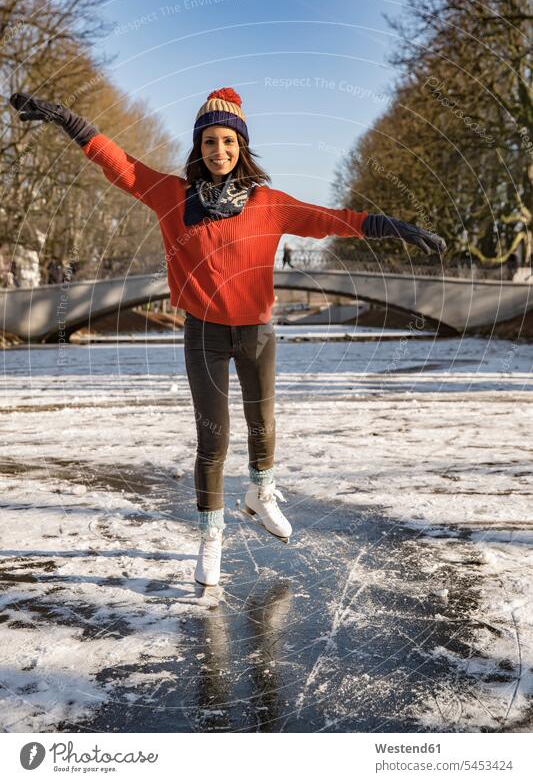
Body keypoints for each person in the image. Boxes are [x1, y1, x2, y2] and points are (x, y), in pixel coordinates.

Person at [9, 88, 447, 587]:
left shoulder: (269, 204)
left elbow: (331, 221)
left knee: (263, 423)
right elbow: (118, 163)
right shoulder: (172, 197)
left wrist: (392, 226)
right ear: (199, 148)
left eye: (229, 141)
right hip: (203, 333)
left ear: (242, 146)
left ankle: (261, 491)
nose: (220, 151)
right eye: (210, 142)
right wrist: (66, 117)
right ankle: (211, 536)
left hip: (257, 332)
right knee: (212, 438)